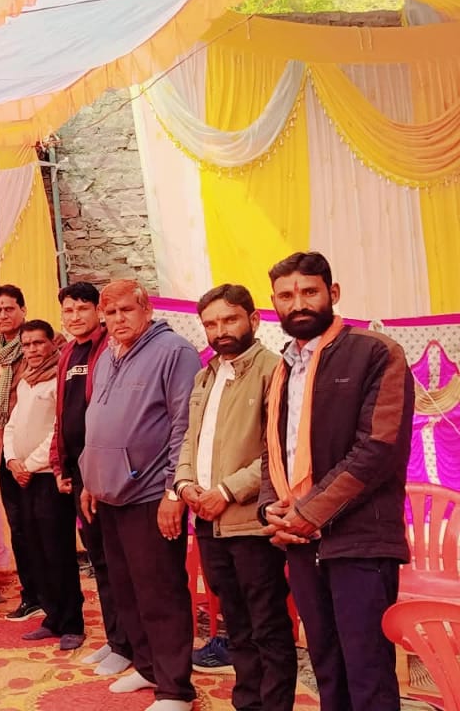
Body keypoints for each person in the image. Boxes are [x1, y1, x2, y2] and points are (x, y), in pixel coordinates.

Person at [259, 252, 413, 711]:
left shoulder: (376, 352)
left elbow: (377, 449)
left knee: (367, 671)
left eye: (309, 291)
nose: (298, 304)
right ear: (274, 303)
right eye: (286, 295)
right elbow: (274, 450)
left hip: (360, 541)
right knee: (327, 665)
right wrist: (271, 506)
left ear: (333, 293)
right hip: (301, 541)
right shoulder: (284, 367)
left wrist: (307, 513)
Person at [172, 285, 297, 711]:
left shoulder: (274, 371)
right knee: (236, 624)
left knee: (267, 625)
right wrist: (184, 484)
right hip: (209, 521)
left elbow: (280, 452)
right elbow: (190, 438)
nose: (220, 330)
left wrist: (226, 491)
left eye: (230, 319)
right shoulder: (205, 375)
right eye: (211, 323)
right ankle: (248, 703)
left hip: (251, 522)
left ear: (254, 319)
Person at [79, 280, 200, 711]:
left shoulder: (174, 352)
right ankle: (148, 667)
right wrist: (91, 479)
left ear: (146, 310)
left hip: (150, 494)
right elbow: (97, 423)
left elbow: (185, 425)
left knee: (160, 591)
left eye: (126, 310)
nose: (118, 320)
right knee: (126, 589)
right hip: (109, 495)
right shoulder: (107, 356)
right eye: (110, 313)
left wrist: (173, 491)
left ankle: (176, 689)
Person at [49, 281, 131, 675]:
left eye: (83, 308)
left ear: (98, 311)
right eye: (68, 310)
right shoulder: (68, 352)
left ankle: (128, 645)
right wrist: (60, 465)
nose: (75, 316)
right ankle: (116, 640)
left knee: (116, 562)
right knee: (99, 560)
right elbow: (62, 414)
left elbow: (108, 414)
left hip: (104, 473)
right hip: (79, 475)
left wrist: (96, 473)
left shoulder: (109, 349)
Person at [5, 320, 85, 651]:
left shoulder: (58, 378)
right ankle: (52, 617)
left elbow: (58, 429)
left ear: (52, 343)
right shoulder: (26, 380)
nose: (32, 350)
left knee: (58, 551)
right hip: (24, 478)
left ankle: (72, 623)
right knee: (35, 550)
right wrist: (12, 460)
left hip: (49, 477)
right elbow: (11, 425)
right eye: (26, 345)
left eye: (38, 343)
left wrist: (30, 464)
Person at [0, 284, 39, 621]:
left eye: (9, 309)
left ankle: (53, 594)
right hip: (2, 451)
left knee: (40, 525)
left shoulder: (40, 341)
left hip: (33, 452)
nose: (3, 315)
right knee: (18, 526)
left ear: (23, 310)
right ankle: (31, 595)